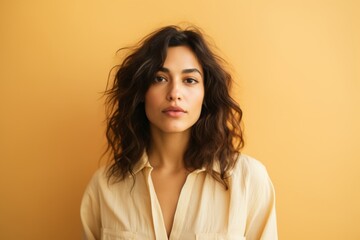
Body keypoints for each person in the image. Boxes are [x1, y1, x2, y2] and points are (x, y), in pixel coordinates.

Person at [80, 25, 278, 240]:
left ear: (206, 94)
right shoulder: (105, 186)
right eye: (159, 78)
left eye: (189, 80)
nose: (175, 93)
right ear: (141, 93)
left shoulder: (248, 180)